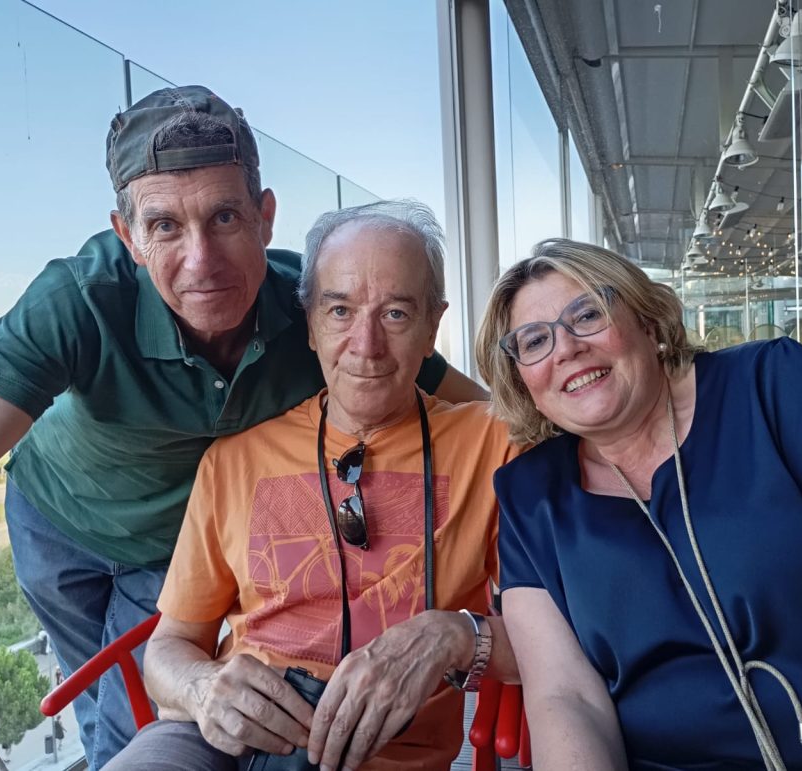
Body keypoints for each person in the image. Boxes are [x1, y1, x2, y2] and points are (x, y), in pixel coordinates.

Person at [0, 86, 484, 771]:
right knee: (105, 702)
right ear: (127, 238)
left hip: (172, 540)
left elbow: (466, 403)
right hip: (59, 523)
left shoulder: (321, 307)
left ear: (266, 218)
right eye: (164, 227)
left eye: (225, 216)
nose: (202, 260)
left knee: (136, 718)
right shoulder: (77, 297)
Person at [474, 238, 802, 770]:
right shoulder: (530, 494)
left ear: (647, 320)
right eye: (533, 342)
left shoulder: (771, 386)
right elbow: (566, 700)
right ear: (523, 381)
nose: (567, 348)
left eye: (588, 314)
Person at [104, 201, 519, 771]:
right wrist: (202, 687)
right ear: (311, 326)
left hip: (383, 755)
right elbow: (169, 648)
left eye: (396, 314)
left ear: (432, 328)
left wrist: (456, 635)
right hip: (227, 744)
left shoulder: (494, 444)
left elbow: (571, 640)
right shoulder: (233, 461)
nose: (366, 345)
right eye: (341, 311)